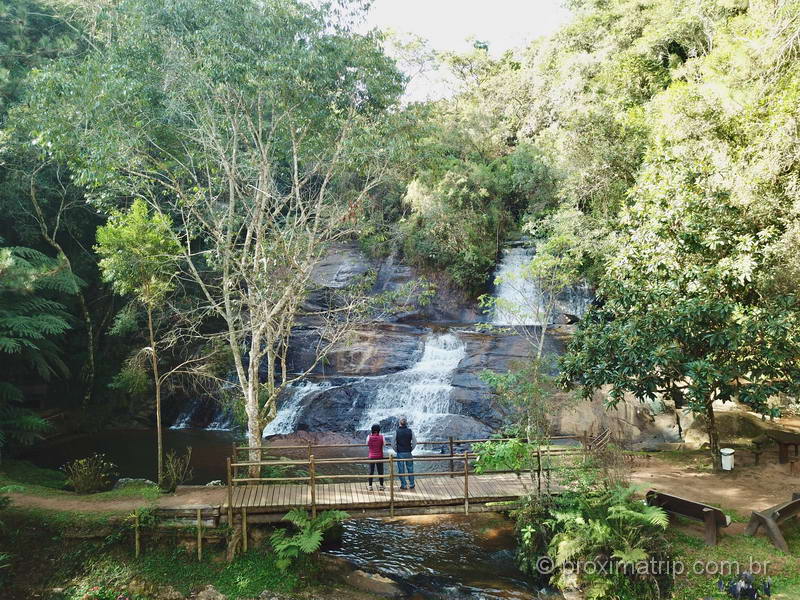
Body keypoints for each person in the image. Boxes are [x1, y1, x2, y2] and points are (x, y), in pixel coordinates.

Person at [394, 417, 416, 490]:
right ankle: (412, 484)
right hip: (408, 452)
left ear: (399, 423)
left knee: (401, 469)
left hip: (400, 452)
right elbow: (415, 442)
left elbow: (392, 442)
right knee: (410, 468)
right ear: (406, 423)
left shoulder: (396, 431)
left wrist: (396, 450)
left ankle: (403, 485)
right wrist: (411, 449)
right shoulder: (410, 431)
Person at [366, 423, 385, 491]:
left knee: (371, 471)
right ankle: (381, 486)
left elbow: (367, 444)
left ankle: (370, 486)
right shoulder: (382, 437)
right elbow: (384, 444)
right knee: (380, 471)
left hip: (371, 456)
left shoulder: (369, 437)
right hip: (380, 456)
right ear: (379, 430)